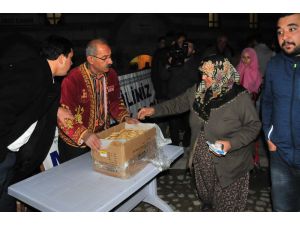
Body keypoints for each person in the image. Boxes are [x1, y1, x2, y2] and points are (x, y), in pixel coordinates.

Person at [138, 55, 261, 211]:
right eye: (202, 73)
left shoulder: (239, 97)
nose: (203, 78)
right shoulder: (199, 90)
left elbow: (254, 126)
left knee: (225, 204)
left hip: (231, 162)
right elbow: (178, 103)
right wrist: (154, 110)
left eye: (208, 75)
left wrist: (231, 143)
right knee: (207, 196)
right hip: (202, 158)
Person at [0, 34, 74, 211]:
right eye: (71, 58)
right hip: (2, 154)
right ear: (62, 58)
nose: (72, 63)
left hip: (10, 155)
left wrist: (57, 109)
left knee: (6, 200)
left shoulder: (45, 77)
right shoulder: (31, 74)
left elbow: (32, 102)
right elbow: (4, 109)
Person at [58, 38, 138, 163]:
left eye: (110, 56)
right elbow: (64, 116)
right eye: (105, 58)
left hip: (102, 137)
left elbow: (115, 101)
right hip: (76, 144)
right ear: (91, 59)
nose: (110, 61)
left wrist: (125, 118)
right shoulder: (72, 79)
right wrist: (85, 135)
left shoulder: (111, 75)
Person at [262, 13, 300, 212]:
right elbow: (267, 102)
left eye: (292, 29)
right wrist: (269, 136)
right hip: (281, 156)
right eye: (280, 32)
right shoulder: (274, 65)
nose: (284, 37)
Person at [160, 39, 200, 147]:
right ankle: (175, 148)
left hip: (188, 101)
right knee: (174, 127)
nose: (186, 48)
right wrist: (168, 64)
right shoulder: (175, 59)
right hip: (173, 98)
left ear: (194, 51)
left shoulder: (197, 63)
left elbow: (195, 78)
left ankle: (187, 146)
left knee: (189, 126)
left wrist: (183, 64)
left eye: (189, 46)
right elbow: (163, 77)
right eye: (185, 46)